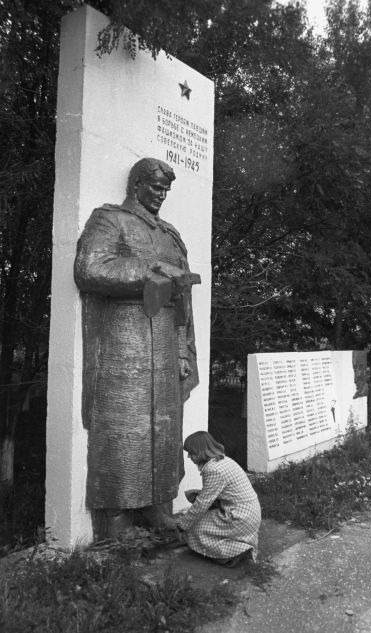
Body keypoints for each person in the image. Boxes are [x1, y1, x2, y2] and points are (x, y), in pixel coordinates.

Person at [74, 157, 200, 537]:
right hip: (123, 336)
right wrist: (152, 272)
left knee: (164, 427)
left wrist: (181, 349)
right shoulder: (110, 219)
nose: (161, 196)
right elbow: (90, 268)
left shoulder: (171, 234)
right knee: (122, 424)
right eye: (156, 187)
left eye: (166, 190)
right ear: (137, 185)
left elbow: (184, 303)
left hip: (164, 337)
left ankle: (157, 506)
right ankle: (116, 516)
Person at [175, 431, 261, 567]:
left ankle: (234, 553)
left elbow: (202, 504)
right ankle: (235, 544)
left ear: (200, 452)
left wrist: (182, 525)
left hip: (239, 516)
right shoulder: (222, 460)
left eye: (191, 453)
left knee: (195, 530)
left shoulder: (213, 470)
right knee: (199, 516)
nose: (188, 456)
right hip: (249, 512)